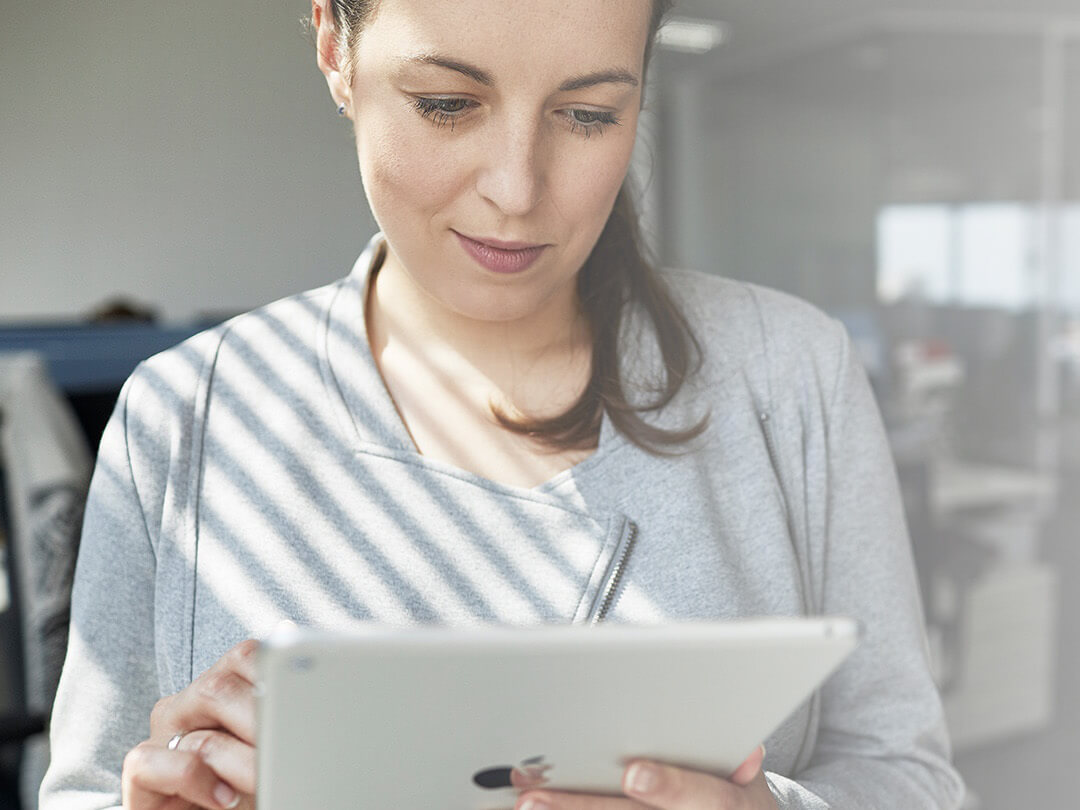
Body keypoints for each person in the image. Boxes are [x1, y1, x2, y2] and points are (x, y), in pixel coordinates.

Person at [40, 1, 967, 808]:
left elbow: (909, 776)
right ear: (335, 49)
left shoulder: (789, 375)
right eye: (446, 104)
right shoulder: (184, 417)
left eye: (589, 113)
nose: (517, 190)